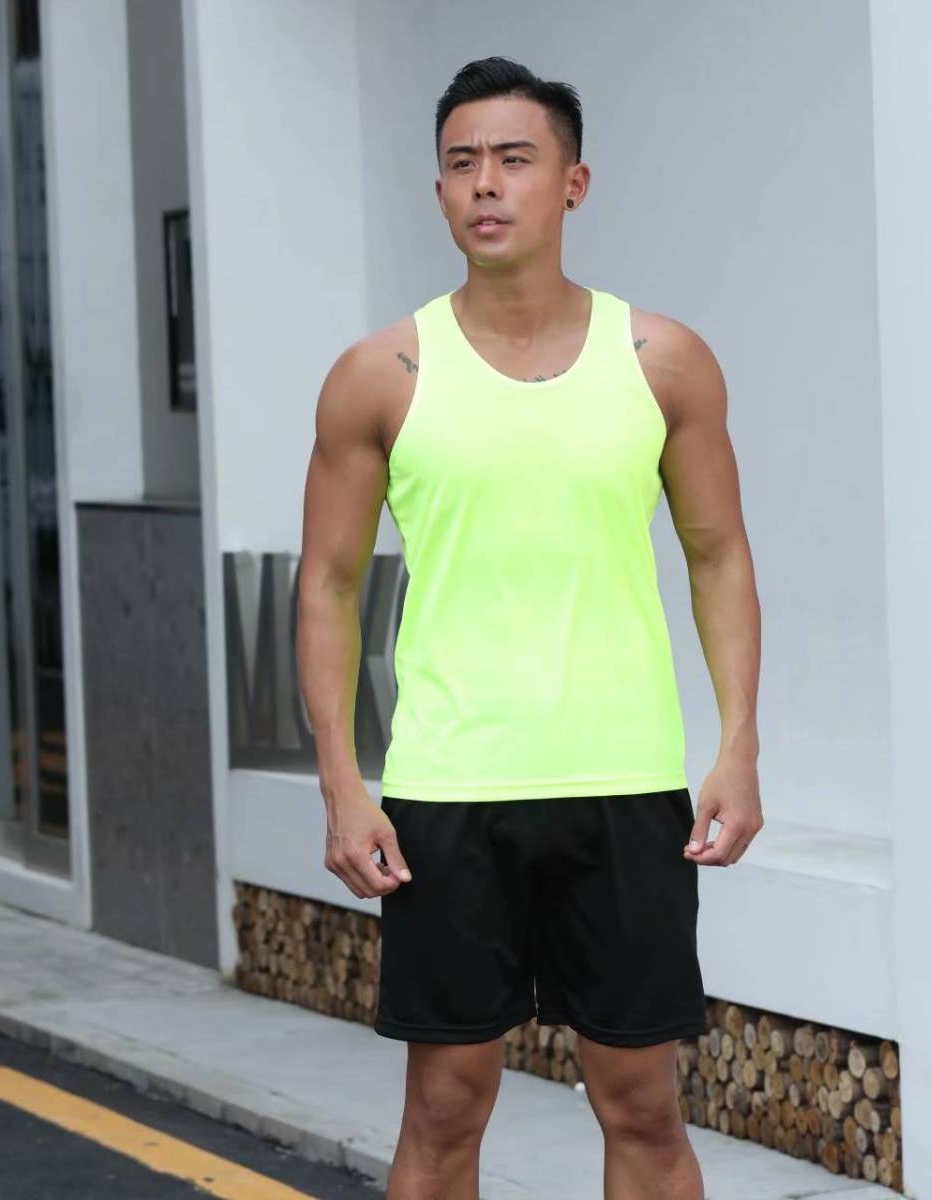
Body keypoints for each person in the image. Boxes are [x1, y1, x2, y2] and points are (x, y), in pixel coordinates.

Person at [297, 54, 762, 1200]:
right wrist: (343, 786)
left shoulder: (663, 362)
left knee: (643, 1107)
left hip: (625, 782)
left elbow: (718, 556)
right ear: (439, 191)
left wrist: (739, 746)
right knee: (444, 1110)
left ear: (574, 183)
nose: (486, 184)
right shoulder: (380, 375)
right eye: (462, 164)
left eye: (514, 159)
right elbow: (329, 585)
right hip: (450, 788)